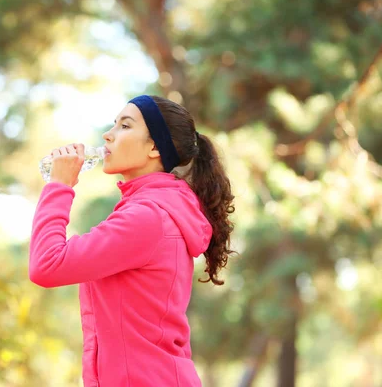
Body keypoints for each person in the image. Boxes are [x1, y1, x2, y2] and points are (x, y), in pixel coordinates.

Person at [29, 95, 235, 386]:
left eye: (125, 125)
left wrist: (59, 187)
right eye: (114, 124)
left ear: (154, 147)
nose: (108, 134)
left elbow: (47, 265)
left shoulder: (147, 218)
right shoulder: (151, 211)